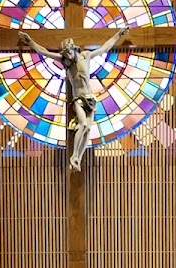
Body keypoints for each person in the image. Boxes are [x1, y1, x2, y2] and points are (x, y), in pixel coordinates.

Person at [18, 26, 131, 170]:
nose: (68, 57)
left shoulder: (86, 56)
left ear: (74, 49)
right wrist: (30, 42)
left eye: (69, 54)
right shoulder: (65, 61)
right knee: (83, 124)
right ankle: (73, 155)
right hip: (78, 99)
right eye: (65, 55)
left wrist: (118, 34)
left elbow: (105, 48)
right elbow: (44, 51)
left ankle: (78, 157)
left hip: (90, 98)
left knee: (88, 129)